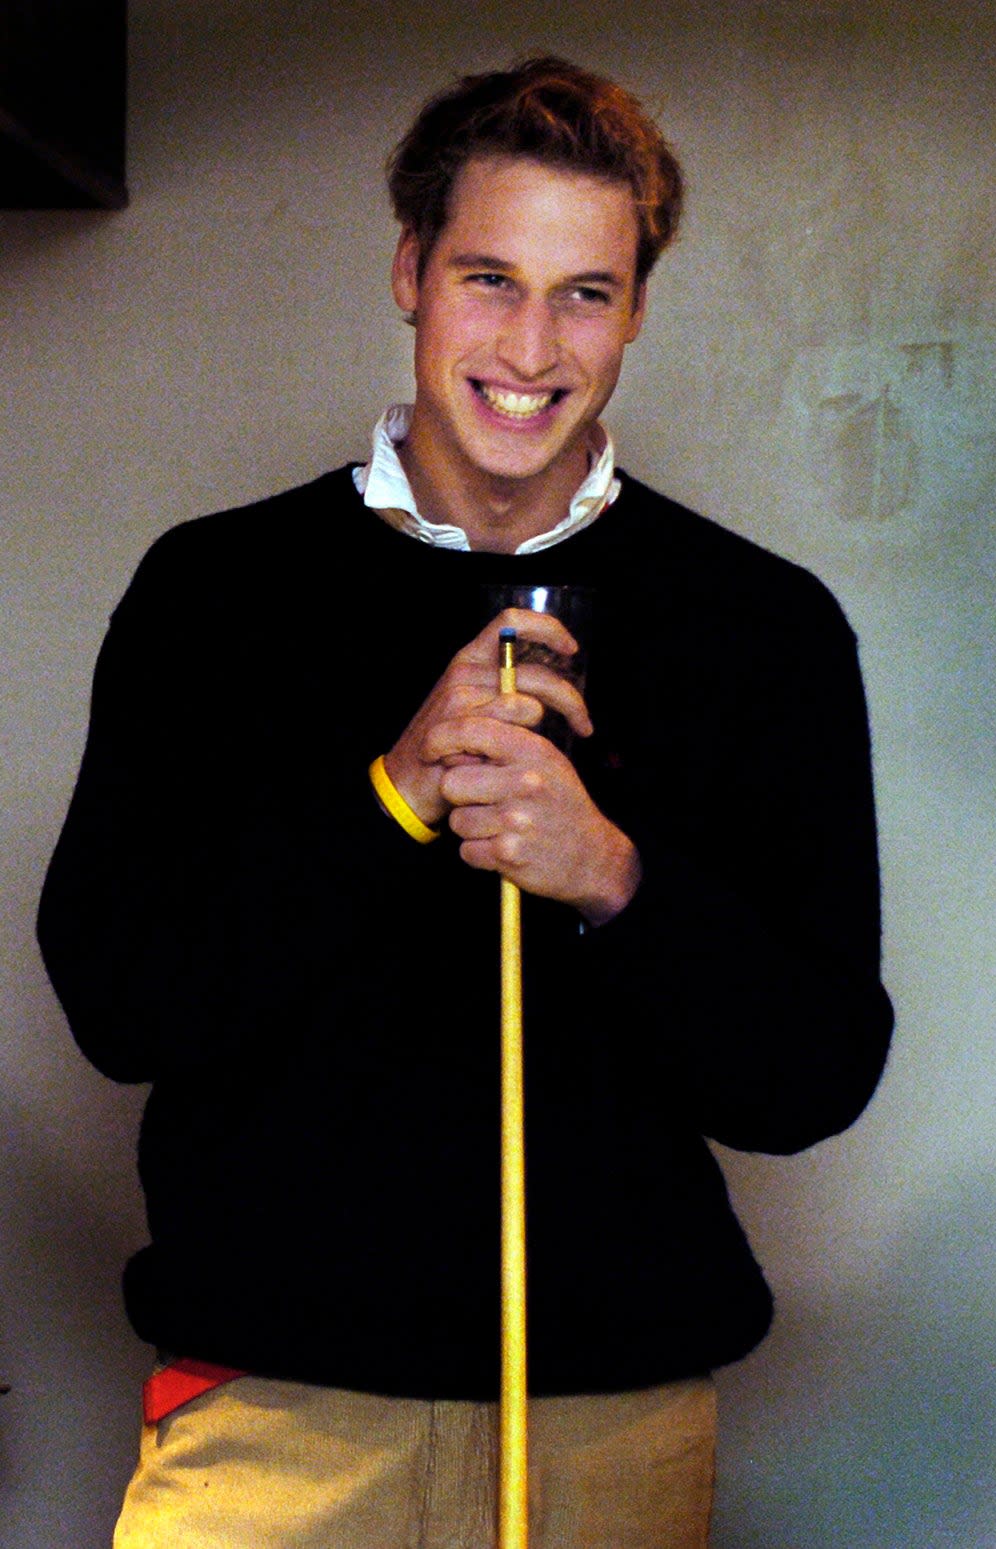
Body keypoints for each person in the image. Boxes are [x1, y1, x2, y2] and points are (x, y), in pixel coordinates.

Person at [37, 56, 893, 1549]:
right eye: (490, 277)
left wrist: (614, 876)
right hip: (266, 1419)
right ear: (411, 274)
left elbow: (813, 1071)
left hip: (608, 1426)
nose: (531, 341)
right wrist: (387, 796)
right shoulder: (215, 592)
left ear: (636, 313)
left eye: (585, 292)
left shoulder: (764, 626)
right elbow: (122, 1000)